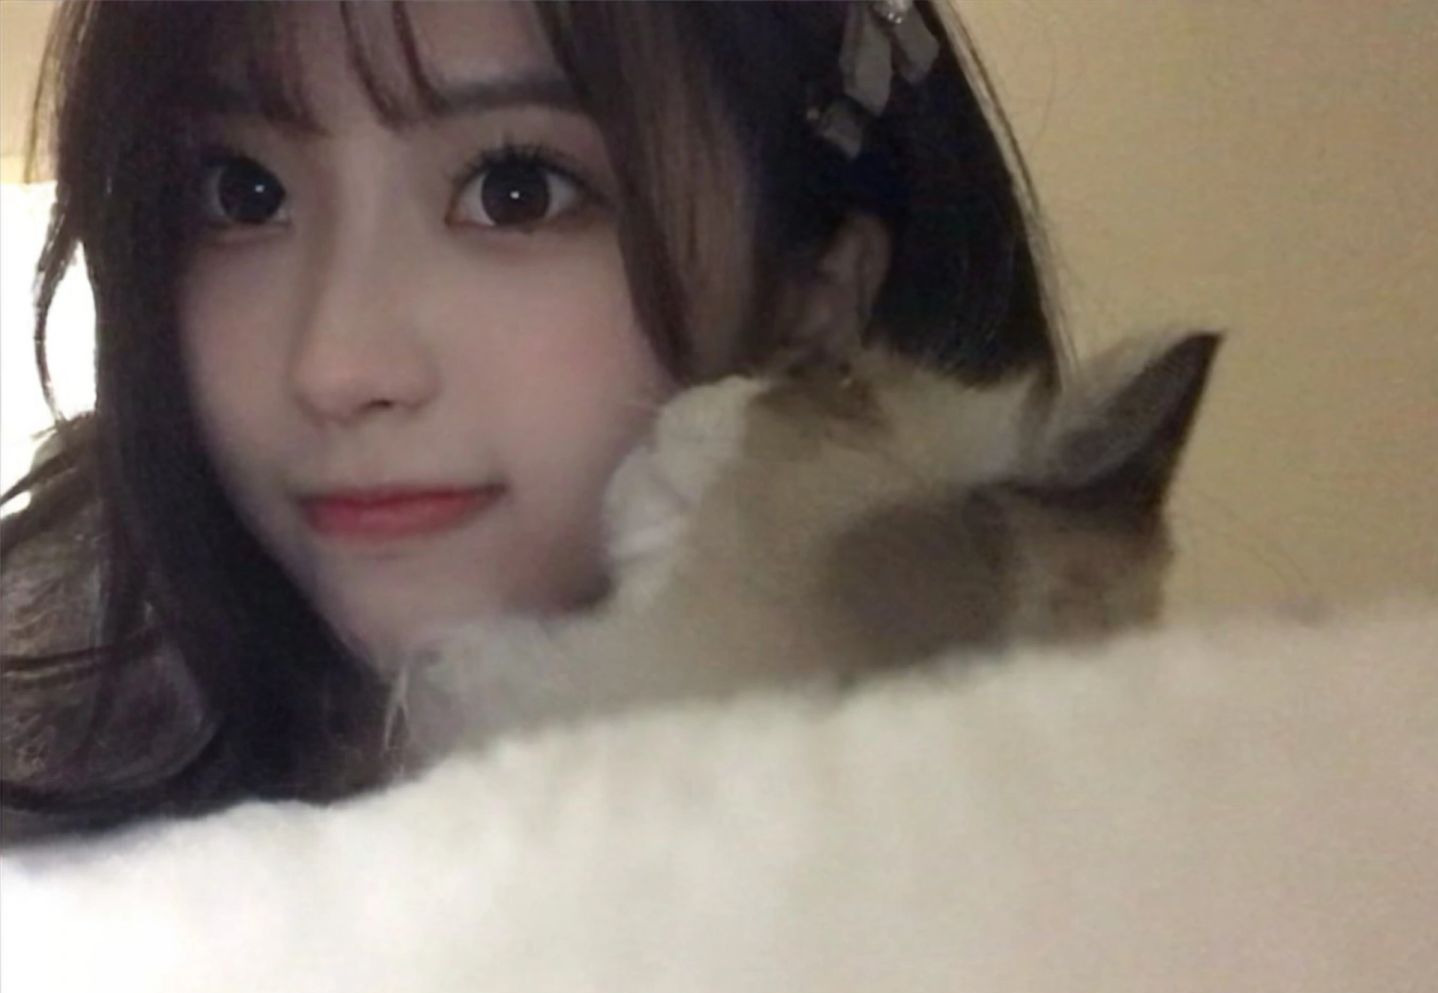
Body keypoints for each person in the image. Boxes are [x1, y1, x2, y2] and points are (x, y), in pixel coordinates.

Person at [0, 0, 1066, 839]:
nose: (336, 366)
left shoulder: (1043, 875)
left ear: (813, 284)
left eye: (516, 191)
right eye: (243, 194)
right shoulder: (56, 812)